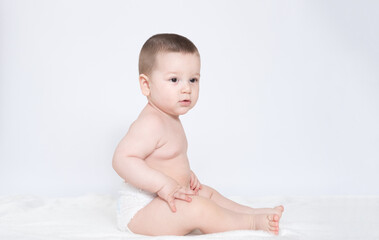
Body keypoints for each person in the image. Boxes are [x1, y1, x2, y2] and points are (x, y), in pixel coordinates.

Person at [112, 33, 284, 236]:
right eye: (174, 79)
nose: (186, 88)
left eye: (193, 79)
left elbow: (164, 158)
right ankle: (251, 222)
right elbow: (121, 160)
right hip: (141, 211)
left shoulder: (170, 117)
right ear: (146, 85)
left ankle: (254, 212)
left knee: (206, 193)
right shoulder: (151, 122)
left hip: (166, 199)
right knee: (196, 207)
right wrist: (164, 184)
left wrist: (185, 176)